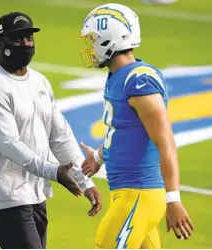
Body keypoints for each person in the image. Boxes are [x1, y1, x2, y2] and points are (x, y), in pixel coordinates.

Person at [0, 11, 102, 249]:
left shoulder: (39, 82)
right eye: (17, 39)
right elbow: (9, 144)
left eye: (29, 38)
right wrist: (53, 172)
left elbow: (59, 134)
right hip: (4, 194)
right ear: (0, 43)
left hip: (35, 191)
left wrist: (85, 182)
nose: (26, 44)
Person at [78, 3, 193, 249]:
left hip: (138, 195)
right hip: (132, 194)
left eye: (93, 39)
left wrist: (174, 199)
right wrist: (98, 156)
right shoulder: (120, 76)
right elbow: (121, 129)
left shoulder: (139, 80)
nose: (90, 46)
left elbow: (166, 142)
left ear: (108, 40)